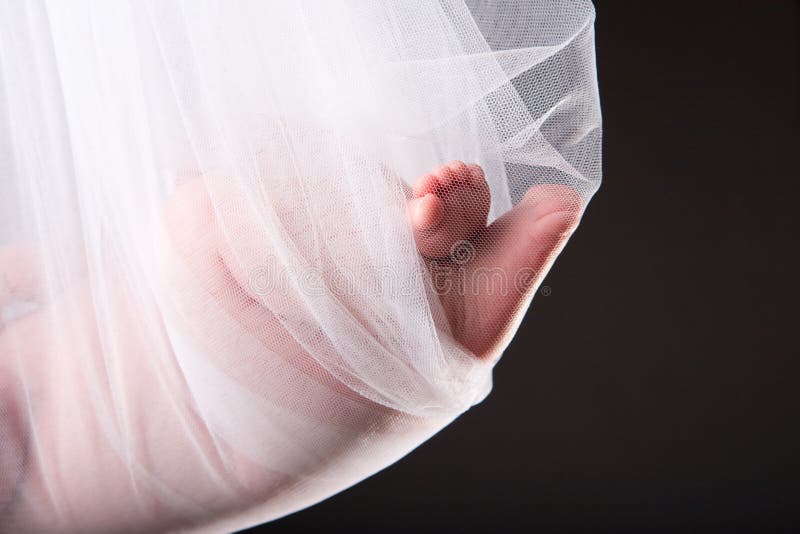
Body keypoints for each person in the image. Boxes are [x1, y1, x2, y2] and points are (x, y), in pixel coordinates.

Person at [0, 158, 581, 532]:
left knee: (270, 184)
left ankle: (447, 308)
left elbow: (59, 264)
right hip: (226, 384)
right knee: (209, 215)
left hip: (300, 438)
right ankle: (405, 251)